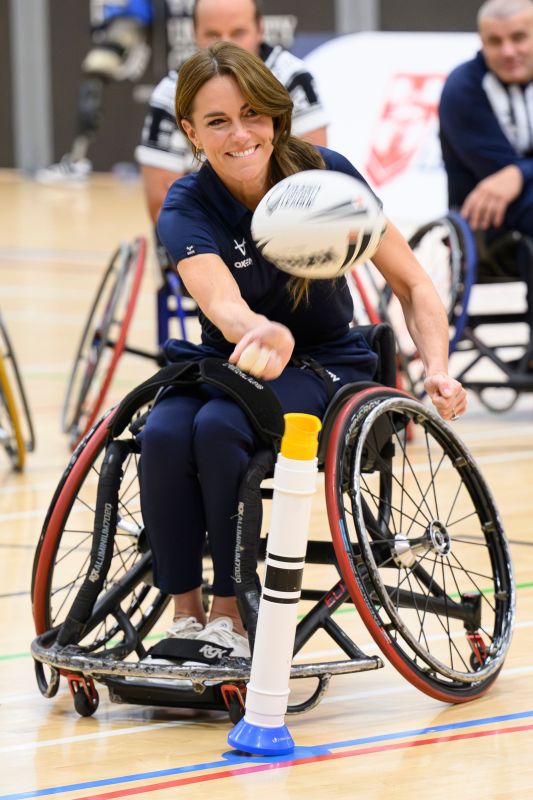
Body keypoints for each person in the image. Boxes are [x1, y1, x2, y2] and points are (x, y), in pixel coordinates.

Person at [138, 41, 467, 657]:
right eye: (217, 122)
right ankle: (186, 615)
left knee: (216, 428)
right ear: (190, 131)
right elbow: (221, 302)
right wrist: (255, 330)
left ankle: (231, 615)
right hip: (233, 360)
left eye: (253, 115)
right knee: (161, 432)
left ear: (275, 116)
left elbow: (414, 283)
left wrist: (440, 371)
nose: (240, 134)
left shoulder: (324, 177)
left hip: (325, 363)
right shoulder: (187, 203)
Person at [135, 0, 329, 224]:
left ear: (260, 29)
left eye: (238, 33)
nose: (226, 44)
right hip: (204, 227)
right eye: (213, 34)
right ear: (194, 34)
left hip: (289, 226)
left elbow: (313, 172)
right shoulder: (170, 93)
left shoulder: (292, 77)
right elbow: (162, 205)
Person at [439, 0, 533, 367]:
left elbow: (511, 176)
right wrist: (514, 175)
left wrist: (519, 173)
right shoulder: (463, 89)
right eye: (495, 41)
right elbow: (494, 170)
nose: (508, 51)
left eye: (519, 38)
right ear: (481, 42)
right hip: (485, 227)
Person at [35, 0, 186, 185]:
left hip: (187, 35)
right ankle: (76, 160)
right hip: (141, 26)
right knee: (97, 67)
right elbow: (135, 11)